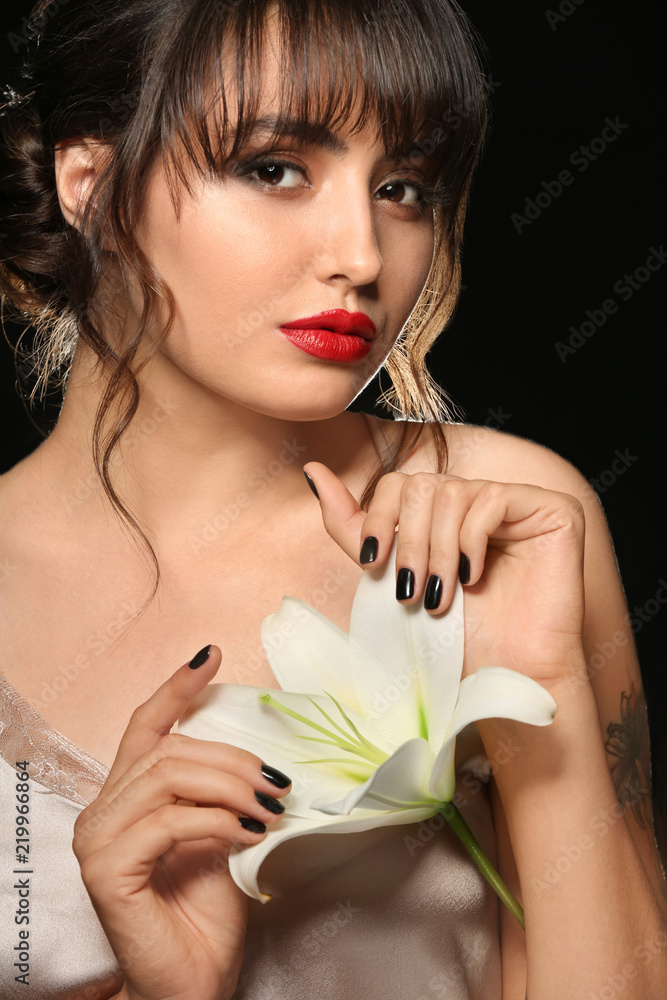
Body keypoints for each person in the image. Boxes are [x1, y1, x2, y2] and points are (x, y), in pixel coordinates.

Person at [0, 1, 665, 998]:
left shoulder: (511, 515)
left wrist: (542, 682)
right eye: (274, 169)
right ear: (90, 185)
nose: (361, 255)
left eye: (401, 187)